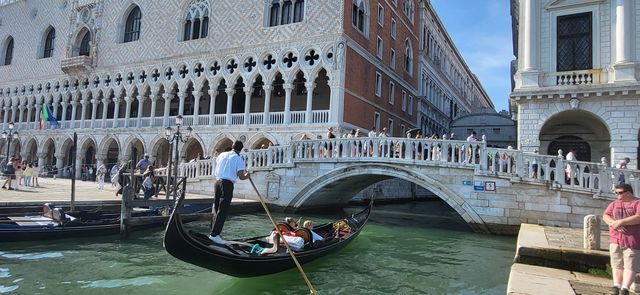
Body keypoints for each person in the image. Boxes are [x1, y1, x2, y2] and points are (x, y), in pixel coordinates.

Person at [208, 140, 250, 244]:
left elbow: (219, 164)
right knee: (223, 210)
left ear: (232, 146)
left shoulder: (222, 154)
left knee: (216, 208)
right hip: (227, 184)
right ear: (241, 149)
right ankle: (214, 235)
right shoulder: (238, 159)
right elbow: (241, 176)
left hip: (217, 183)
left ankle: (212, 232)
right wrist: (247, 175)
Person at [603, 184, 640, 295]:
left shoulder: (637, 203)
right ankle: (616, 286)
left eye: (620, 193)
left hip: (632, 240)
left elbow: (638, 217)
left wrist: (621, 222)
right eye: (616, 193)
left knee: (630, 265)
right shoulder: (614, 204)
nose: (617, 195)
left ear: (628, 192)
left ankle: (625, 288)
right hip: (615, 239)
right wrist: (614, 224)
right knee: (616, 263)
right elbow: (605, 215)